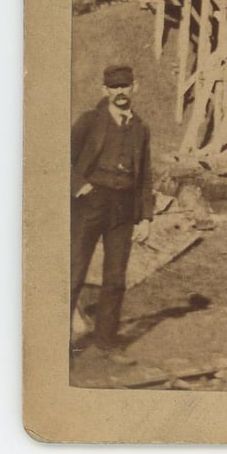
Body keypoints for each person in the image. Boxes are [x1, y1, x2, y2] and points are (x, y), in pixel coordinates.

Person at [70, 64, 154, 362]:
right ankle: (56, 345)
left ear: (135, 87)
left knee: (116, 277)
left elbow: (144, 175)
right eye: (114, 87)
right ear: (104, 90)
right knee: (74, 271)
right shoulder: (90, 121)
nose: (120, 92)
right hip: (90, 204)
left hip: (123, 209)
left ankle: (106, 343)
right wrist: (80, 186)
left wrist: (145, 217)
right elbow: (62, 157)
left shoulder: (140, 128)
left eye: (125, 86)